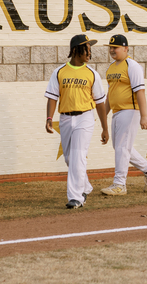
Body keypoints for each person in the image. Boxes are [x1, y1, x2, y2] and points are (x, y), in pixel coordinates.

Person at [45, 34, 109, 209]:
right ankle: (86, 186)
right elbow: (52, 97)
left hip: (85, 117)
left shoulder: (92, 74)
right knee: (69, 158)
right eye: (86, 48)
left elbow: (100, 102)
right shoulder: (59, 72)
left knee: (78, 156)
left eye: (90, 48)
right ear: (75, 50)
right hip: (65, 118)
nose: (89, 52)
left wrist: (104, 128)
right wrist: (49, 118)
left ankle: (76, 197)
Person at [101, 34, 147, 195]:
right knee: (121, 147)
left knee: (122, 147)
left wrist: (144, 116)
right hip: (117, 112)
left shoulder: (132, 66)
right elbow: (110, 95)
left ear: (126, 48)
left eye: (116, 47)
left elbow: (140, 91)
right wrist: (103, 116)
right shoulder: (112, 67)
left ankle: (120, 184)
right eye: (111, 48)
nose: (112, 50)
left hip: (130, 111)